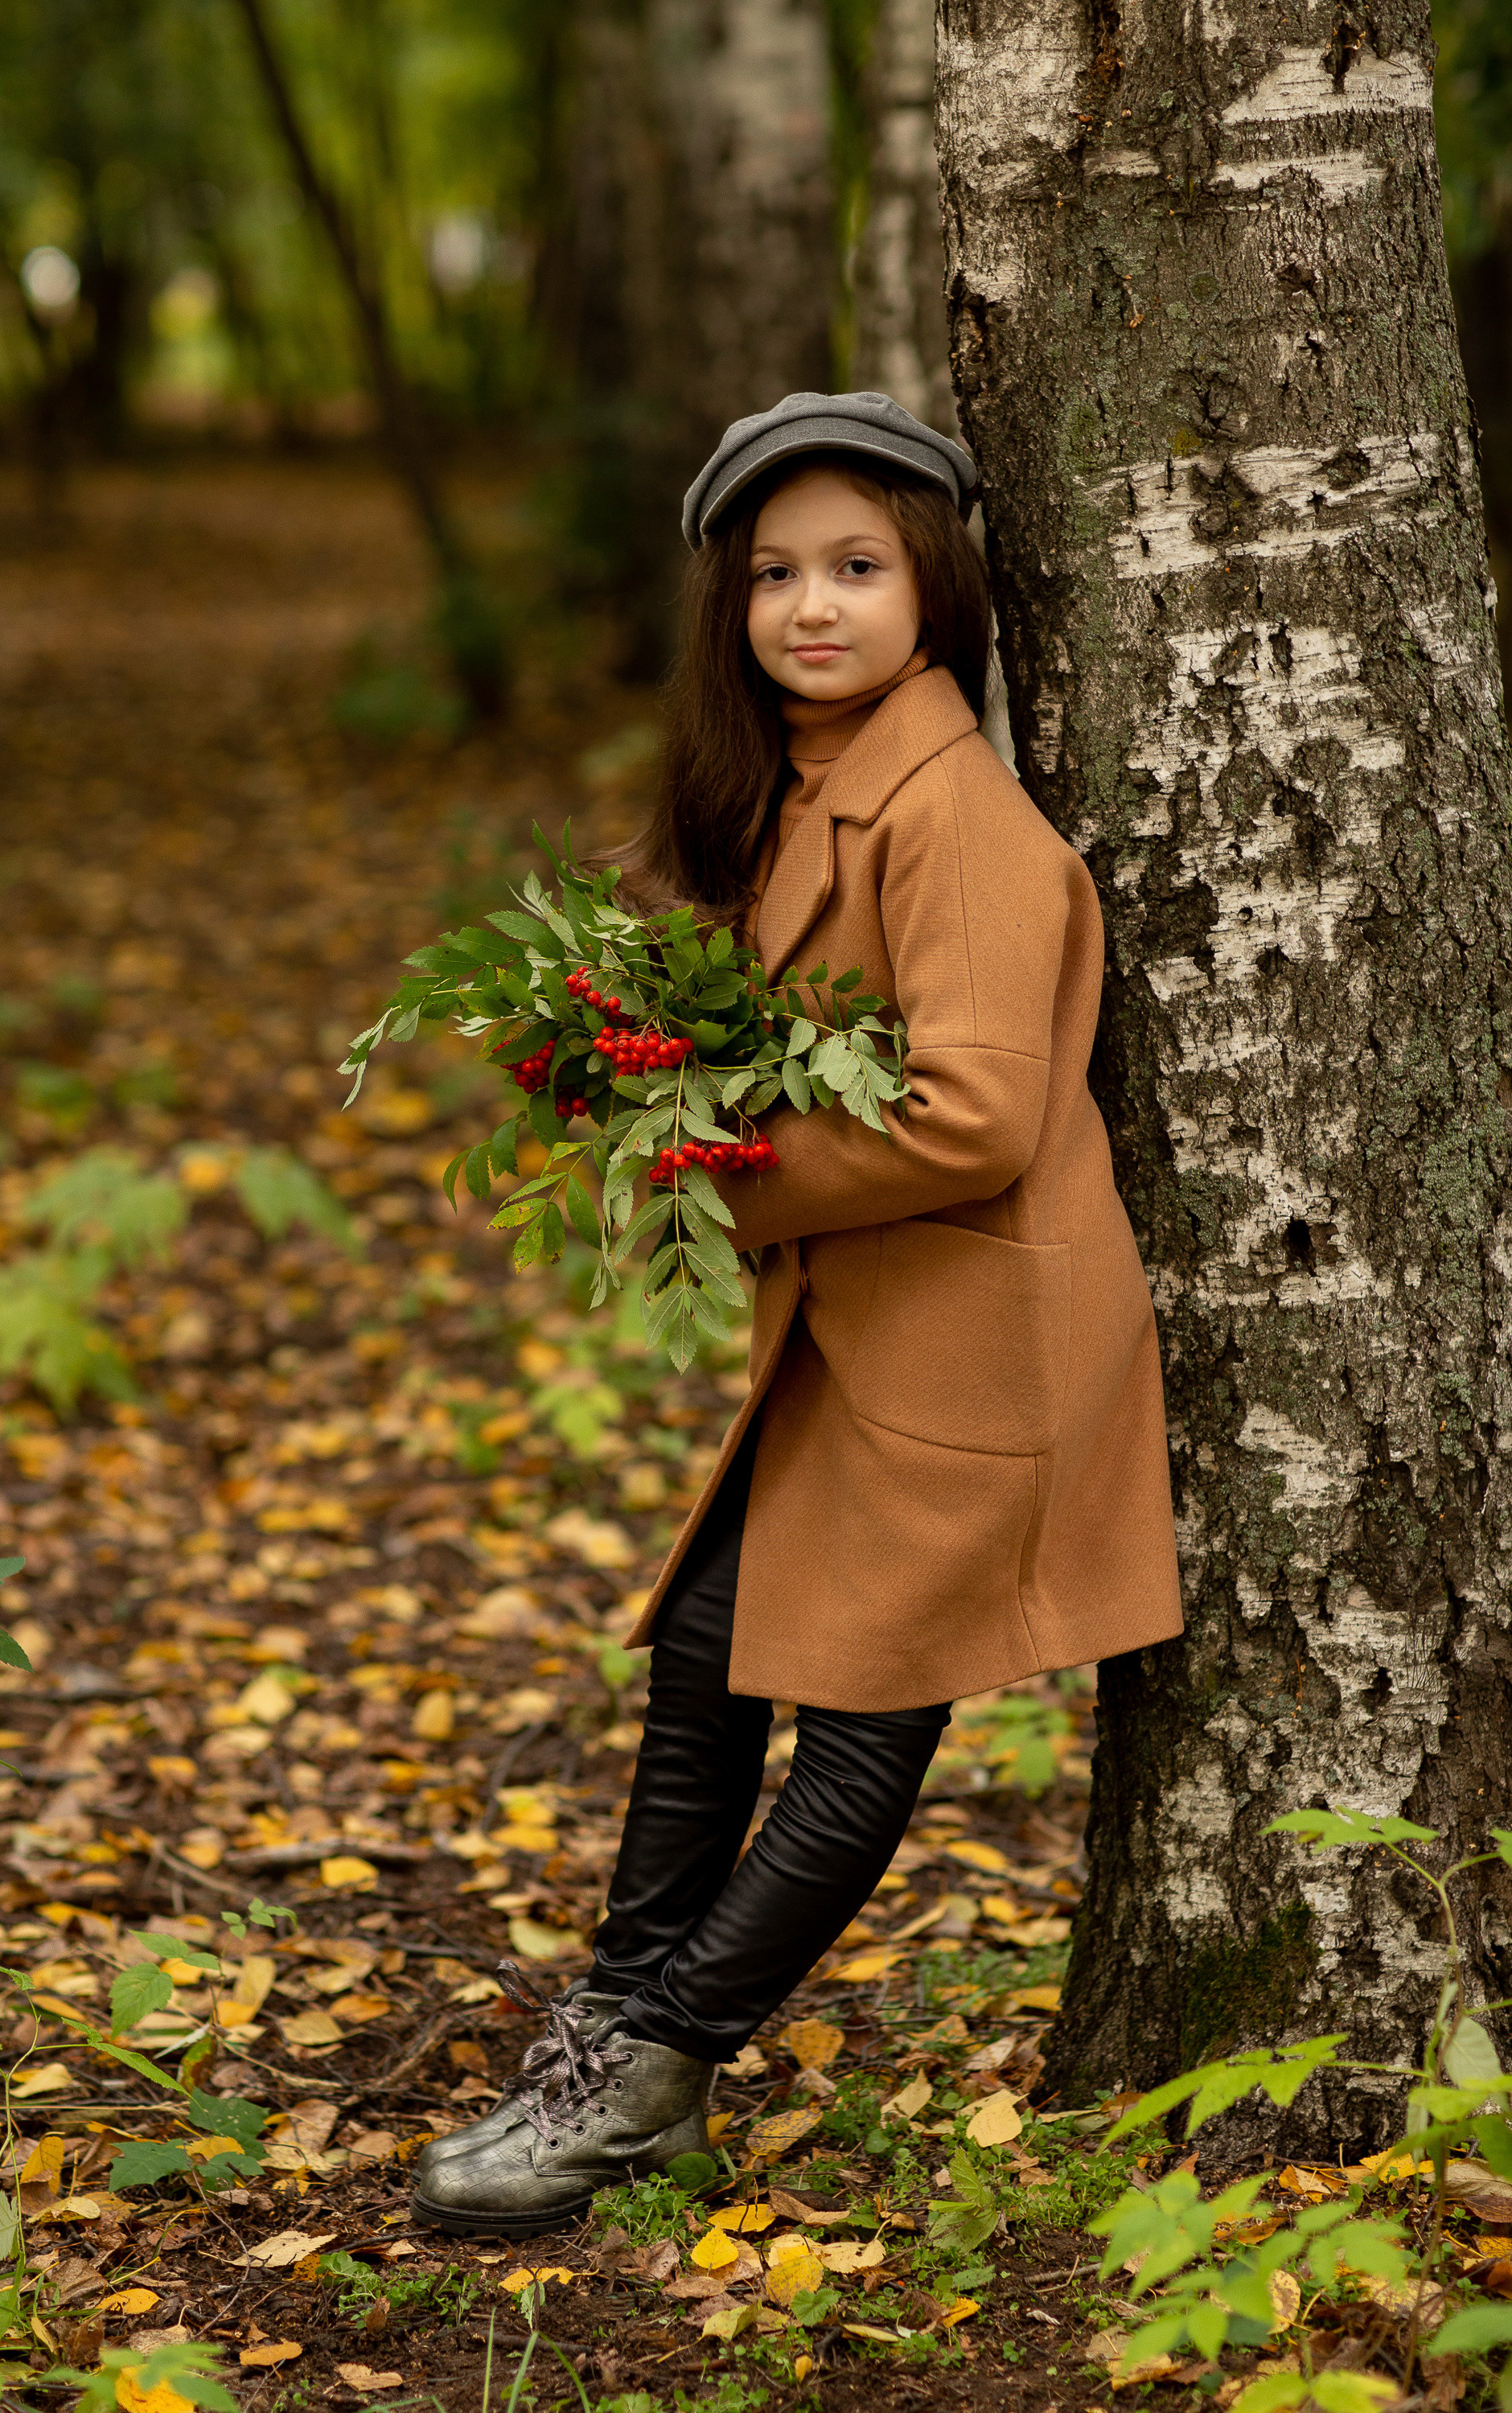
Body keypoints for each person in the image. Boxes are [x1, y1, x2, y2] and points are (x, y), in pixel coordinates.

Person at [411, 390, 1183, 2238]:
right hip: (864, 1332)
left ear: (936, 586)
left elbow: (977, 1110)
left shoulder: (958, 816)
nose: (810, 606)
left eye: (855, 566)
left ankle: (651, 2073)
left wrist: (715, 1164)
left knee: (853, 1727)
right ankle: (609, 2030)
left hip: (968, 1340)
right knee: (702, 1658)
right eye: (772, 573)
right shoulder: (809, 783)